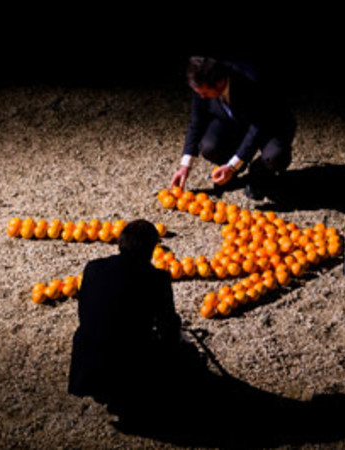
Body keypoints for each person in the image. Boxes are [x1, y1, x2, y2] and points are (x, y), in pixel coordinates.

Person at [68, 219, 182, 418]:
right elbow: (169, 329)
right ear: (151, 250)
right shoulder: (157, 279)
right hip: (127, 367)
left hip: (87, 361)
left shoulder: (94, 268)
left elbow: (84, 311)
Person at [170, 56, 296, 200]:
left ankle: (259, 173)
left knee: (275, 156)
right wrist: (185, 167)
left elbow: (256, 129)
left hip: (270, 124)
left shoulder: (252, 81)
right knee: (209, 145)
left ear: (219, 83)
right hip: (234, 121)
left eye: (205, 93)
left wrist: (232, 165)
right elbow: (196, 123)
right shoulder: (202, 82)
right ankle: (232, 172)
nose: (202, 97)